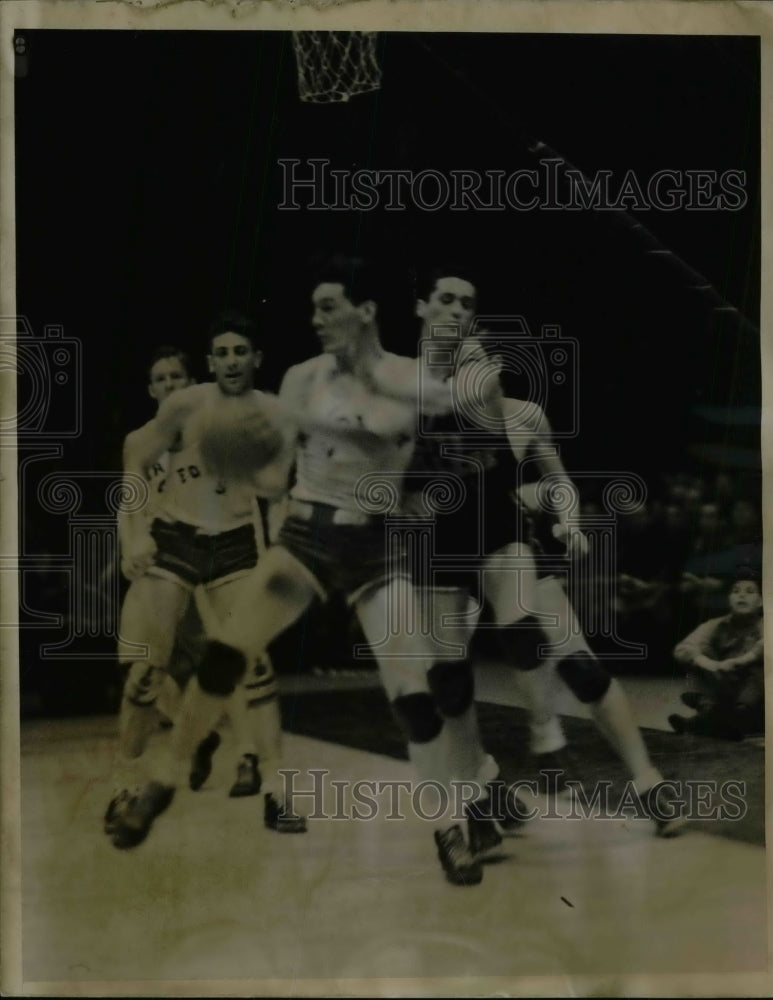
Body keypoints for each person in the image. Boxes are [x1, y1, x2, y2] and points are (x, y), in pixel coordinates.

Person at [108, 256, 502, 886]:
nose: (315, 320)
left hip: (375, 546)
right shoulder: (299, 377)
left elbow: (382, 437)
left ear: (365, 311)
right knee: (224, 654)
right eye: (313, 308)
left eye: (328, 307)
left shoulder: (406, 378)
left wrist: (300, 419)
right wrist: (235, 460)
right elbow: (273, 477)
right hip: (306, 537)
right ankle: (161, 782)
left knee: (414, 699)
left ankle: (448, 825)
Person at [401, 265, 686, 848]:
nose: (456, 310)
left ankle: (646, 781)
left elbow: (557, 480)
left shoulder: (510, 403)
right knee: (449, 682)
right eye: (445, 299)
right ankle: (482, 789)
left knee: (574, 661)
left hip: (504, 536)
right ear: (421, 307)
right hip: (438, 546)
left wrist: (573, 520)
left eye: (467, 303)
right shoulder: (400, 390)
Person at [105, 314, 291, 848]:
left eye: (176, 378)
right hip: (174, 546)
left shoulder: (235, 417)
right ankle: (126, 783)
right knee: (143, 670)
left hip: (233, 546)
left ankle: (272, 783)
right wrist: (133, 540)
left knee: (250, 665)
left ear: (193, 381)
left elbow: (275, 490)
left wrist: (279, 541)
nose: (169, 387)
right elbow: (130, 488)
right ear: (150, 389)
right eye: (159, 380)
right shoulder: (146, 436)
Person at [669, 573, 764, 740]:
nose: (741, 595)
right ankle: (711, 714)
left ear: (761, 601)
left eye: (750, 591)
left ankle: (708, 722)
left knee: (762, 665)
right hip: (724, 688)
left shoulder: (765, 624)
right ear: (729, 599)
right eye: (736, 591)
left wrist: (744, 660)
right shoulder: (715, 624)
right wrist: (712, 665)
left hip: (755, 698)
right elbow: (683, 648)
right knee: (698, 654)